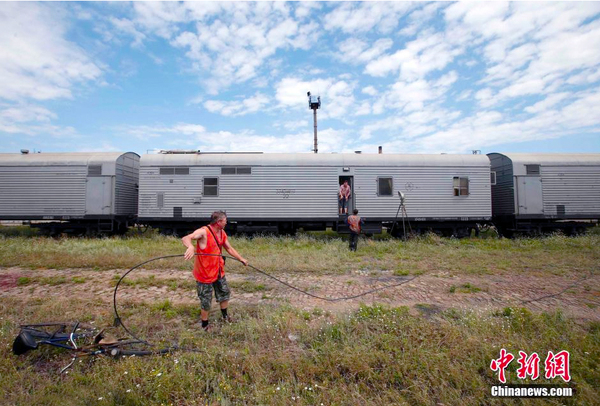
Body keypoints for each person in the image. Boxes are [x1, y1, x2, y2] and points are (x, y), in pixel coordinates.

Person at [182, 211, 248, 331]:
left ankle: (225, 316)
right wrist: (190, 246)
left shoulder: (222, 233)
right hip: (204, 274)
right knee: (206, 300)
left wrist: (241, 259)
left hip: (218, 271)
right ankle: (205, 325)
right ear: (219, 222)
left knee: (224, 293)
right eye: (225, 221)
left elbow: (229, 248)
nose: (226, 223)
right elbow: (187, 238)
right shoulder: (204, 231)